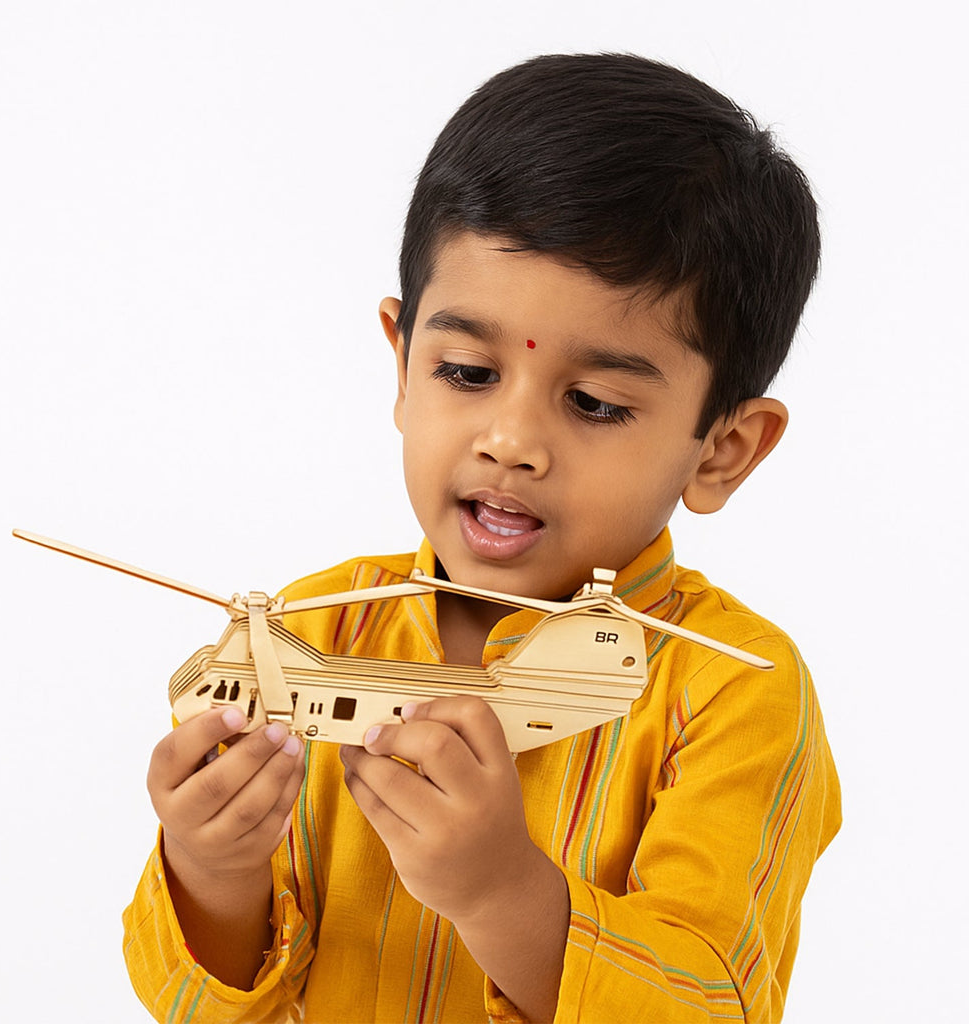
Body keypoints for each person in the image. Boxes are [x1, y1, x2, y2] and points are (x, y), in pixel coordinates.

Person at [123, 54, 841, 1023]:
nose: (510, 442)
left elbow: (710, 1003)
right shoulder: (313, 626)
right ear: (401, 364)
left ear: (723, 448)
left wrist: (504, 895)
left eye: (594, 402)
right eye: (466, 371)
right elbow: (203, 1003)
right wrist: (212, 871)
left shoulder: (733, 690)